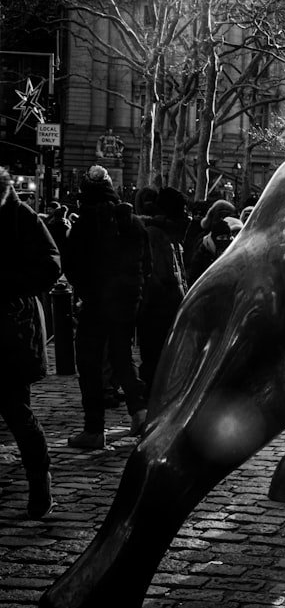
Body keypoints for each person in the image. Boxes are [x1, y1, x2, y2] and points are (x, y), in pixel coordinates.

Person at [63, 166, 149, 448]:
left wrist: (86, 292)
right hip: (126, 302)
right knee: (122, 357)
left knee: (89, 363)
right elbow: (146, 265)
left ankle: (94, 429)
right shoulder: (134, 222)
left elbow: (71, 264)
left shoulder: (85, 223)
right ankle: (140, 412)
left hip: (97, 303)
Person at [0, 166, 60, 517]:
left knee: (16, 409)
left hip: (11, 326)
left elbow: (50, 265)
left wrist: (7, 284)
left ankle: (40, 486)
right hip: (13, 323)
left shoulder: (20, 216)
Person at [136, 186, 190, 392]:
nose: (186, 214)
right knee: (154, 361)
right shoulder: (156, 234)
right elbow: (156, 277)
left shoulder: (169, 234)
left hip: (168, 309)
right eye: (182, 209)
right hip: (158, 312)